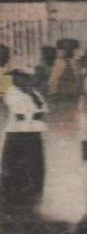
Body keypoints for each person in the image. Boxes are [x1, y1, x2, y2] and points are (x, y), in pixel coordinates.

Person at [1, 72, 47, 214]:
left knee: (35, 165)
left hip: (34, 132)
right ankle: (12, 198)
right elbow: (20, 112)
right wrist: (34, 114)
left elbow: (44, 108)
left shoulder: (34, 93)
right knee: (12, 165)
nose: (18, 80)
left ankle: (32, 198)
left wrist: (34, 107)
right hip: (16, 132)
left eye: (23, 77)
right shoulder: (11, 92)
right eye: (16, 77)